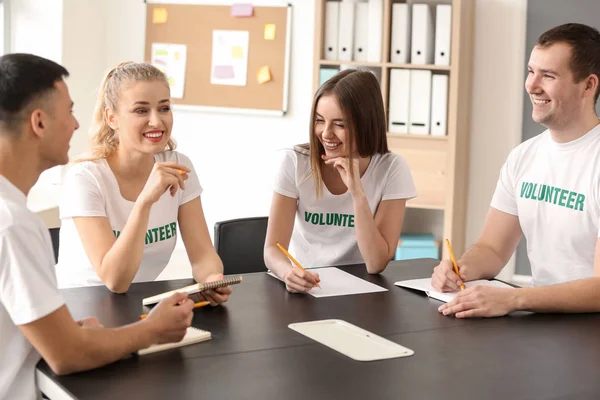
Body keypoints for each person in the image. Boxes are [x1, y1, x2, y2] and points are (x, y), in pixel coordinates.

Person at [0, 53, 196, 400]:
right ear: (40, 123)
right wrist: (153, 329)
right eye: (70, 112)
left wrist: (72, 332)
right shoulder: (13, 224)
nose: (77, 125)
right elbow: (67, 355)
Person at [433, 23, 600, 318]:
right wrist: (460, 270)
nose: (532, 85)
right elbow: (492, 248)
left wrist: (513, 299)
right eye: (531, 71)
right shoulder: (523, 157)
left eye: (548, 75)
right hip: (544, 322)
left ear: (588, 85)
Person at [55, 62, 231, 304]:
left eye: (164, 108)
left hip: (139, 302)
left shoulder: (178, 165)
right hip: (80, 307)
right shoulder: (85, 178)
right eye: (141, 111)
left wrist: (211, 279)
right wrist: (145, 201)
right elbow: (115, 280)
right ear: (112, 118)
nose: (157, 122)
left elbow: (203, 255)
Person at [264, 69, 417, 293]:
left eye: (340, 124)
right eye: (319, 121)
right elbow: (272, 249)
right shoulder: (295, 162)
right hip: (305, 287)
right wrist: (288, 273)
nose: (325, 134)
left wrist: (357, 192)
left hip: (361, 291)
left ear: (365, 124)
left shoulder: (392, 168)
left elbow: (376, 264)